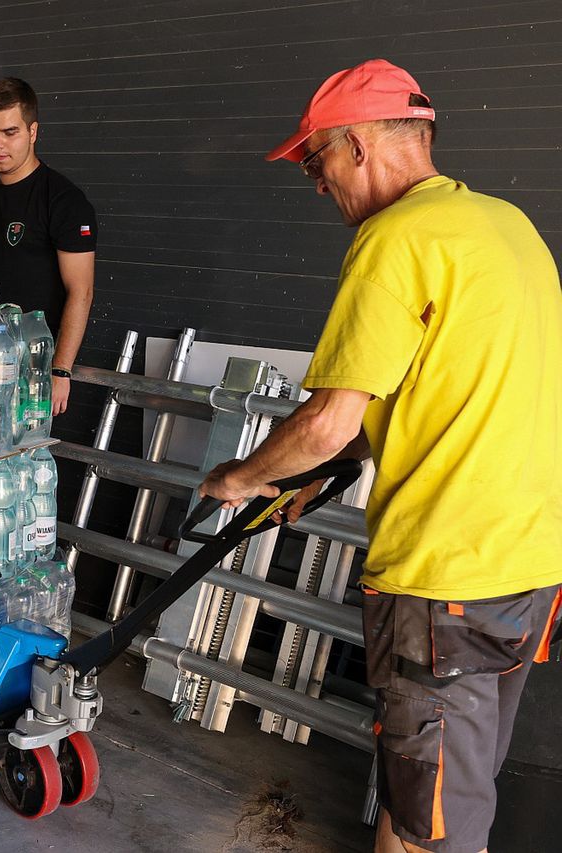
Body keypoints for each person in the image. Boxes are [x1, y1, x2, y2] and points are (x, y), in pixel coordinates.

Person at [198, 59, 562, 853]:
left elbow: (330, 419)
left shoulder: (394, 240)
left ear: (359, 146)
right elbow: (435, 392)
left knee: (441, 832)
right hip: (530, 570)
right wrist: (318, 475)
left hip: (445, 589)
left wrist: (240, 477)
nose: (315, 181)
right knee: (425, 791)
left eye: (315, 159)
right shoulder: (509, 228)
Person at [0, 77, 96, 416]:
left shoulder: (64, 201)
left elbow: (81, 291)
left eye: (10, 132)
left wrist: (59, 370)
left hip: (31, 362)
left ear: (32, 131)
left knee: (19, 455)